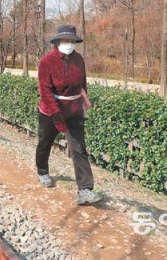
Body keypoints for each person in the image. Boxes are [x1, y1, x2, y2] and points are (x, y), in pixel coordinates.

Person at [36, 24, 102, 205]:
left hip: (73, 110)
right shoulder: (47, 61)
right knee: (45, 141)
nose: (69, 44)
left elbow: (83, 84)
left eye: (72, 41)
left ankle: (85, 190)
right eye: (66, 40)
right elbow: (45, 91)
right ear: (57, 42)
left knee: (79, 148)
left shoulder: (79, 59)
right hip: (51, 111)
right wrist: (56, 116)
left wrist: (83, 104)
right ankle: (42, 171)